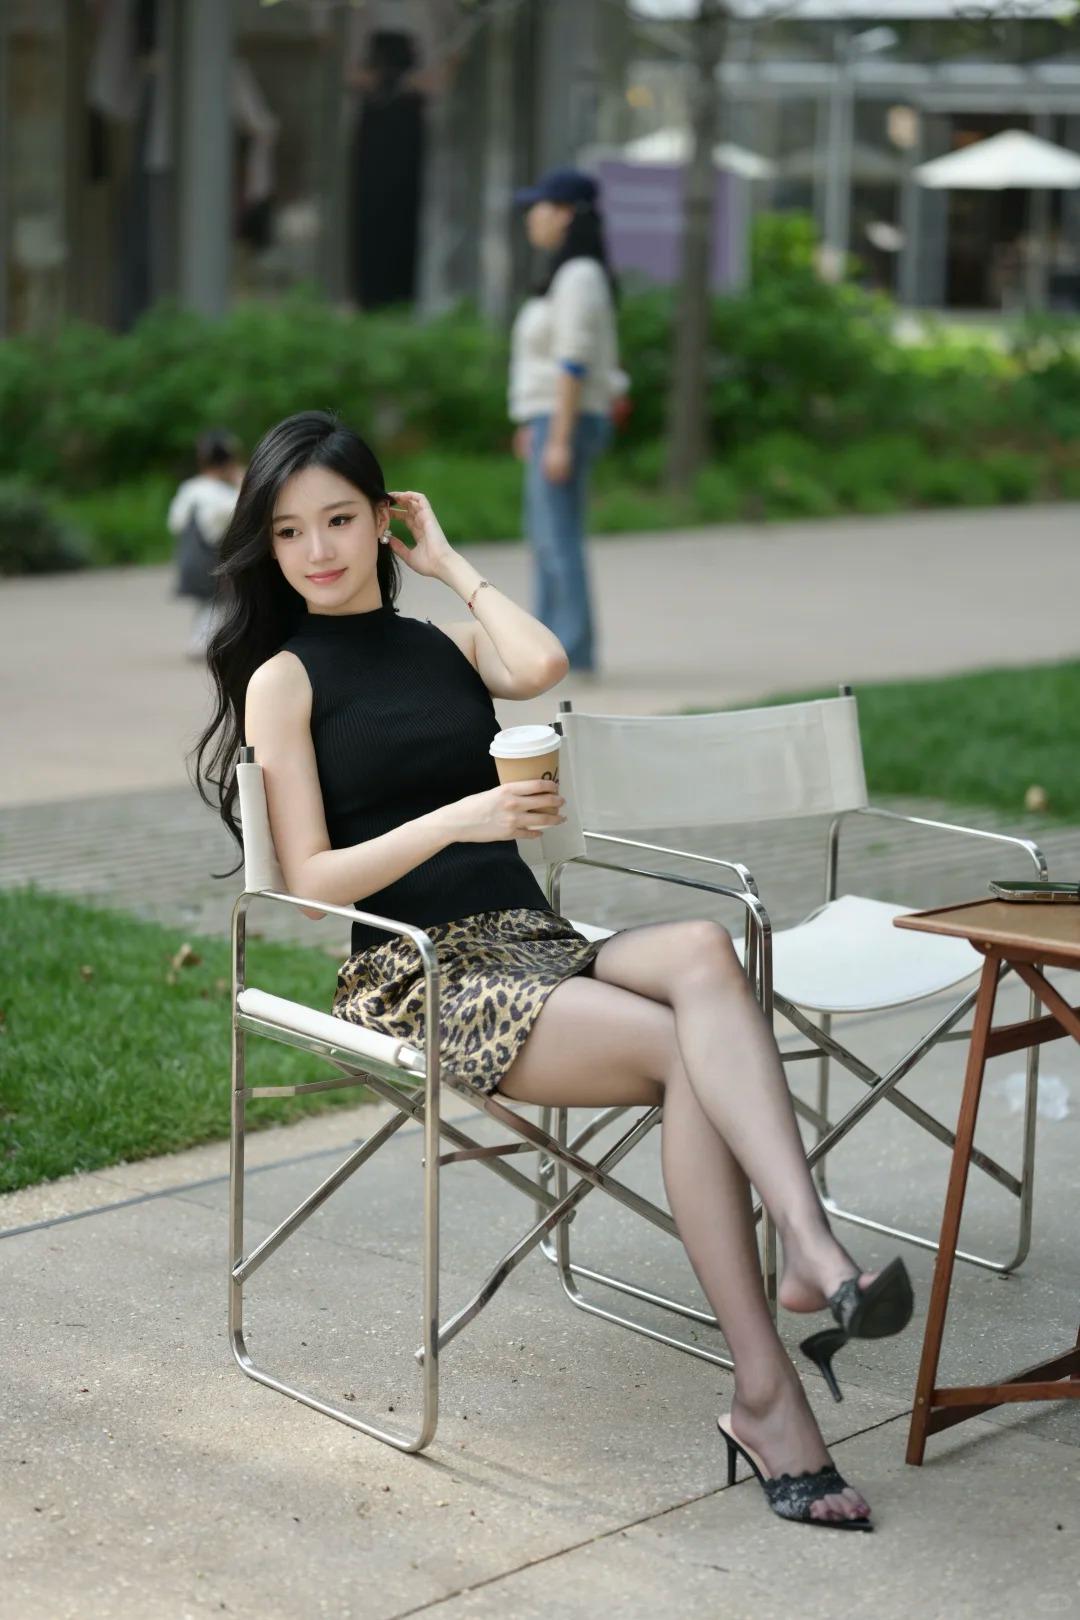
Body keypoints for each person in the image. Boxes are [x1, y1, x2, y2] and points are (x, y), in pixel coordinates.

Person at [194, 409, 913, 1532]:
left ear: (383, 521)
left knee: (705, 950)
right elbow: (316, 881)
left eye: (340, 519)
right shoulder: (284, 679)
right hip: (420, 972)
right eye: (289, 532)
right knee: (686, 1051)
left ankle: (806, 1263)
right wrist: (463, 817)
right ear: (268, 547)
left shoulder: (440, 643)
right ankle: (777, 1367)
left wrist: (450, 565)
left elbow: (542, 663)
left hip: (534, 943)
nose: (318, 550)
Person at [509, 168, 625, 676]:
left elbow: (573, 360)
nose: (531, 218)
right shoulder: (568, 274)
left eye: (539, 207)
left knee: (557, 538)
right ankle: (552, 644)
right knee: (545, 536)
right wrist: (532, 423)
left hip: (565, 420)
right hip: (550, 418)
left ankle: (572, 651)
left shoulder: (580, 275)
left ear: (566, 213)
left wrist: (557, 437)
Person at [169, 430, 245, 660]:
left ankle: (199, 640)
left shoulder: (189, 488)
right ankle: (203, 642)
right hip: (210, 560)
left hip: (187, 558)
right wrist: (242, 482)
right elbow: (243, 510)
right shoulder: (223, 495)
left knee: (207, 603)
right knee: (219, 602)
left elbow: (175, 523)